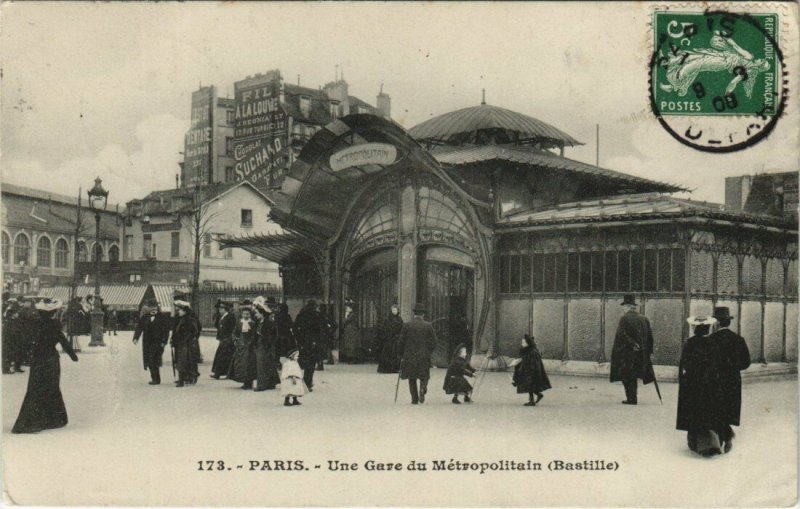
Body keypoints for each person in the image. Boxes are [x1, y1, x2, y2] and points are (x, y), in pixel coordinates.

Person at [12, 299, 79, 434]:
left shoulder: (34, 325)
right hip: (51, 360)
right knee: (52, 387)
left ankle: (30, 421)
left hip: (38, 360)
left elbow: (26, 341)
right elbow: (63, 341)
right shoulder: (55, 326)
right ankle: (54, 419)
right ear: (53, 313)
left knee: (35, 388)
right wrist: (73, 356)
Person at [677, 314, 729, 457]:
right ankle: (715, 441)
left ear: (694, 329)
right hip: (711, 383)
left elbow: (684, 364)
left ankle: (696, 443)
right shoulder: (714, 343)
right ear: (708, 329)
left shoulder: (690, 343)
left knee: (694, 412)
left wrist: (685, 379)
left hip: (693, 383)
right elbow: (719, 364)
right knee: (711, 411)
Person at [708, 306, 751, 453]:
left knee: (716, 407)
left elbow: (706, 362)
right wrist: (732, 366)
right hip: (732, 380)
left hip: (715, 380)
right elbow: (746, 362)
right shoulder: (738, 339)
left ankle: (720, 437)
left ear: (717, 323)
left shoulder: (711, 340)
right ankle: (727, 436)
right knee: (728, 406)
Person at [609, 294, 655, 405]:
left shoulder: (624, 319)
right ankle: (632, 398)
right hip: (641, 354)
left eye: (624, 307)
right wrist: (648, 352)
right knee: (634, 375)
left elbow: (622, 335)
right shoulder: (644, 318)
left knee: (627, 376)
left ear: (628, 307)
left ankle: (631, 398)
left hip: (627, 353)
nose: (623, 309)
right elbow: (650, 337)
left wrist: (633, 344)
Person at [399, 303, 437, 405]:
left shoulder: (406, 325)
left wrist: (401, 355)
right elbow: (434, 342)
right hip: (423, 356)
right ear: (423, 314)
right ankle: (423, 388)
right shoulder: (428, 326)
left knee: (412, 378)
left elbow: (401, 342)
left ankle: (414, 399)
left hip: (409, 356)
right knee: (424, 376)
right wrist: (428, 352)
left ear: (414, 314)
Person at [132, 299, 171, 385]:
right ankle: (154, 378)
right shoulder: (145, 317)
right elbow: (139, 327)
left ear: (157, 307)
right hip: (147, 342)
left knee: (154, 359)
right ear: (148, 308)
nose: (152, 309)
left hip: (158, 343)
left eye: (154, 307)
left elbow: (166, 331)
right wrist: (136, 338)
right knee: (149, 360)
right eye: (151, 307)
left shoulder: (163, 317)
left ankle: (156, 379)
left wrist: (164, 341)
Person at [511, 334, 552, 406]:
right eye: (522, 342)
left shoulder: (532, 352)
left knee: (530, 385)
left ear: (528, 343)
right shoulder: (527, 350)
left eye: (524, 343)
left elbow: (532, 362)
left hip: (532, 371)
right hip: (528, 371)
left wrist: (519, 362)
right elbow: (523, 358)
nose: (522, 344)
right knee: (530, 385)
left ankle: (532, 400)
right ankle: (537, 396)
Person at [294, 299, 323, 391]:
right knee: (311, 364)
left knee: (302, 362)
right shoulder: (316, 316)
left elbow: (295, 328)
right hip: (312, 343)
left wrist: (299, 340)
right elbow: (319, 330)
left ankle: (297, 382)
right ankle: (308, 382)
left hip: (303, 343)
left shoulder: (301, 315)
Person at [253, 297, 280, 392]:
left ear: (262, 314)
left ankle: (261, 385)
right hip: (261, 345)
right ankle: (270, 383)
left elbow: (273, 335)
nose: (256, 315)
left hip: (265, 345)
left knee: (262, 365)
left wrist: (268, 342)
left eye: (257, 313)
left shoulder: (268, 322)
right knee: (266, 364)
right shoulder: (260, 322)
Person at [172, 301, 199, 387]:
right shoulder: (181, 319)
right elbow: (176, 331)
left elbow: (194, 332)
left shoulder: (190, 320)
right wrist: (173, 340)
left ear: (185, 311)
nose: (178, 311)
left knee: (185, 361)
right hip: (181, 343)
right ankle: (184, 379)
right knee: (182, 361)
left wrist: (186, 340)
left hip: (187, 344)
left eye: (180, 310)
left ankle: (186, 379)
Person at [230, 304, 257, 389]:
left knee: (249, 364)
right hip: (240, 346)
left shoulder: (252, 323)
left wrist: (250, 342)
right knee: (241, 364)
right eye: (244, 314)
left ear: (250, 315)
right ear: (241, 314)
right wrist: (235, 339)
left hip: (249, 347)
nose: (246, 315)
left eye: (247, 314)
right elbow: (234, 332)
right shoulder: (239, 323)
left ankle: (249, 382)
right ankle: (243, 381)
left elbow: (254, 335)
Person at [211, 301, 236, 379]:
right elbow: (217, 326)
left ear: (226, 309)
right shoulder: (222, 317)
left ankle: (219, 374)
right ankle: (219, 373)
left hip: (227, 339)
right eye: (219, 309)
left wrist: (230, 338)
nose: (219, 310)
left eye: (221, 309)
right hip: (223, 339)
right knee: (222, 356)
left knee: (223, 357)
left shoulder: (230, 317)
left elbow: (232, 328)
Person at [376, 304, 403, 374]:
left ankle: (395, 369)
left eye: (396, 310)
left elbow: (402, 329)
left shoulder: (400, 319)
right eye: (393, 310)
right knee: (388, 353)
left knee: (395, 354)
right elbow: (384, 329)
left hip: (396, 339)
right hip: (389, 339)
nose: (394, 311)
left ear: (398, 311)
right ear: (391, 311)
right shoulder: (387, 319)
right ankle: (387, 369)